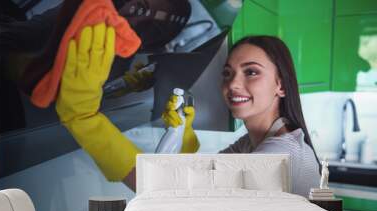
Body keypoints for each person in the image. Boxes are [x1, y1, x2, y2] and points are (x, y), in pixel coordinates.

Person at [56, 23, 320, 197]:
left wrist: (85, 120)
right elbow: (197, 178)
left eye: (251, 72)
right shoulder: (252, 143)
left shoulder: (277, 155)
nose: (233, 84)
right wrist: (181, 136)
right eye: (227, 73)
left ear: (281, 86)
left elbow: (173, 193)